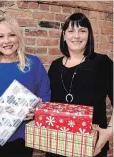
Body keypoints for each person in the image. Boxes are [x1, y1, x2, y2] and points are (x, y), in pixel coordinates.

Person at [0, 16, 51, 157]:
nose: (6, 41)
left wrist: (37, 110)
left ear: (18, 37)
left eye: (11, 35)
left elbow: (45, 95)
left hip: (21, 137)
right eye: (1, 36)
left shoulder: (33, 64)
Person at [47, 13, 113, 157]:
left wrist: (110, 130)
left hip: (91, 146)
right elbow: (48, 103)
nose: (76, 36)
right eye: (71, 31)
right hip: (57, 145)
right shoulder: (55, 66)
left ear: (89, 35)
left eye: (82, 31)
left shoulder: (102, 63)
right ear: (64, 35)